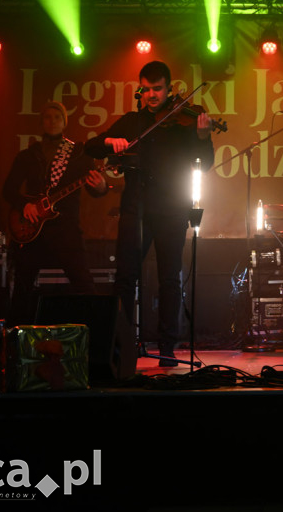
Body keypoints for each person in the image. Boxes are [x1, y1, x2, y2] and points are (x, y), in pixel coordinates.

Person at [86, 61, 214, 367]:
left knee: (170, 277)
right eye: (147, 88)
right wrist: (109, 141)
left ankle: (168, 346)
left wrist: (203, 137)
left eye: (158, 89)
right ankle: (121, 344)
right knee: (125, 277)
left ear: (169, 89)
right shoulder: (132, 122)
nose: (152, 94)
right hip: (136, 207)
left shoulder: (183, 123)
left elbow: (205, 163)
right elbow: (90, 147)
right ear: (140, 89)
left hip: (172, 207)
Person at [2, 100, 108, 324]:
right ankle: (13, 341)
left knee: (84, 285)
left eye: (57, 117)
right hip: (32, 230)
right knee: (22, 287)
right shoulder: (28, 155)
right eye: (48, 117)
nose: (52, 121)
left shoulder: (78, 153)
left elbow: (96, 190)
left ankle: (98, 338)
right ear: (42, 122)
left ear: (64, 122)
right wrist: (25, 205)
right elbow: (8, 190)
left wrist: (100, 185)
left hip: (65, 229)